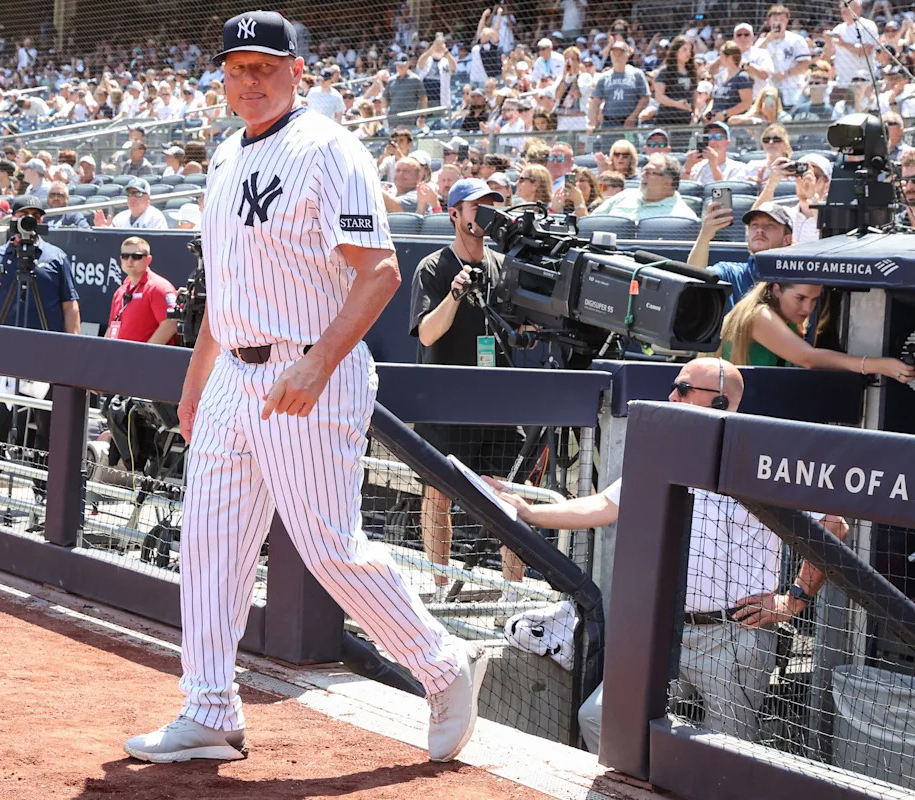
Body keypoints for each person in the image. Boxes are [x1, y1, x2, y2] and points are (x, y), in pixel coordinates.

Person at [124, 10, 485, 766]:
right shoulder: (226, 154)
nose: (249, 80)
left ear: (297, 72)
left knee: (327, 546)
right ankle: (209, 709)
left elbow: (379, 272)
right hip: (233, 373)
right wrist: (195, 381)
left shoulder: (329, 149)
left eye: (264, 66)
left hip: (308, 369)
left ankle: (442, 666)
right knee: (210, 543)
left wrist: (316, 364)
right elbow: (224, 289)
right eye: (237, 68)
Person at [482, 357, 850, 752]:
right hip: (668, 632)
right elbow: (604, 506)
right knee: (601, 719)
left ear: (721, 401)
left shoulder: (761, 456)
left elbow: (835, 525)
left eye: (684, 389)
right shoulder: (670, 450)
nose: (672, 396)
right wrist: (530, 512)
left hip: (736, 636)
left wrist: (793, 601)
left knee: (728, 753)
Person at [408, 177, 531, 605]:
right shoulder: (432, 267)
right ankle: (439, 589)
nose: (486, 213)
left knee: (507, 496)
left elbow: (523, 329)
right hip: (446, 402)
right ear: (454, 214)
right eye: (476, 206)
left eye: (491, 204)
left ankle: (514, 595)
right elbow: (427, 334)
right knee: (438, 494)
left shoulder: (506, 266)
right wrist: (456, 293)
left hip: (500, 402)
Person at [0, 195, 81, 502]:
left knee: (48, 429)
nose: (30, 220)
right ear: (13, 219)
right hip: (5, 354)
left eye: (36, 215)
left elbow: (70, 305)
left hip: (47, 354)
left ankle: (45, 497)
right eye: (24, 214)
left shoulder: (56, 257)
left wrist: (72, 350)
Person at [721, 281, 915, 381]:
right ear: (776, 289)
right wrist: (880, 365)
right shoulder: (759, 315)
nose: (808, 308)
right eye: (800, 298)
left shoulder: (787, 321)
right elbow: (808, 358)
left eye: (814, 300)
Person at [690, 201, 793, 306]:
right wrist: (704, 236)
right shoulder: (731, 274)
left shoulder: (796, 279)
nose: (759, 230)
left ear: (787, 239)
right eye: (754, 225)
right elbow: (695, 279)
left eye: (770, 225)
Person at [104, 236, 178, 345]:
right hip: (117, 353)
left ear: (148, 260)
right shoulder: (120, 291)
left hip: (145, 355)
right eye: (125, 256)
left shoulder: (158, 287)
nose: (130, 260)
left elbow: (171, 324)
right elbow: (111, 327)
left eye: (136, 256)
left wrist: (146, 352)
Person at [589, 153, 698, 221]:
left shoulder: (682, 217)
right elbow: (591, 222)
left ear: (667, 181)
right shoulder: (625, 195)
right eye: (644, 171)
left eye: (649, 172)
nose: (643, 175)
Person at [752, 153, 831, 243]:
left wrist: (812, 197)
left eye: (814, 176)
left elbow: (828, 228)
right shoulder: (784, 215)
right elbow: (752, 225)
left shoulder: (835, 217)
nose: (806, 180)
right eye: (801, 174)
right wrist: (771, 183)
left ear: (827, 184)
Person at [587, 40, 649, 134]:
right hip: (609, 122)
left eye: (620, 54)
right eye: (614, 54)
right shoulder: (604, 77)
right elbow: (595, 102)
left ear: (627, 55)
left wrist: (634, 115)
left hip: (630, 122)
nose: (617, 57)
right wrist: (593, 122)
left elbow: (645, 97)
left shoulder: (637, 74)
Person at [757, 4, 811, 107]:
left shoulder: (797, 40)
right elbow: (754, 60)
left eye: (781, 20)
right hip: (769, 90)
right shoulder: (762, 42)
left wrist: (786, 73)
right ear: (769, 21)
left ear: (787, 21)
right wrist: (768, 40)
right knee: (769, 111)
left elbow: (805, 64)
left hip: (792, 90)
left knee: (791, 114)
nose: (778, 23)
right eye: (775, 19)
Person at [96, 177, 168, 229]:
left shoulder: (156, 218)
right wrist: (105, 230)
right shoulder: (120, 218)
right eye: (130, 193)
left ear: (148, 198)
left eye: (138, 193)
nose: (132, 197)